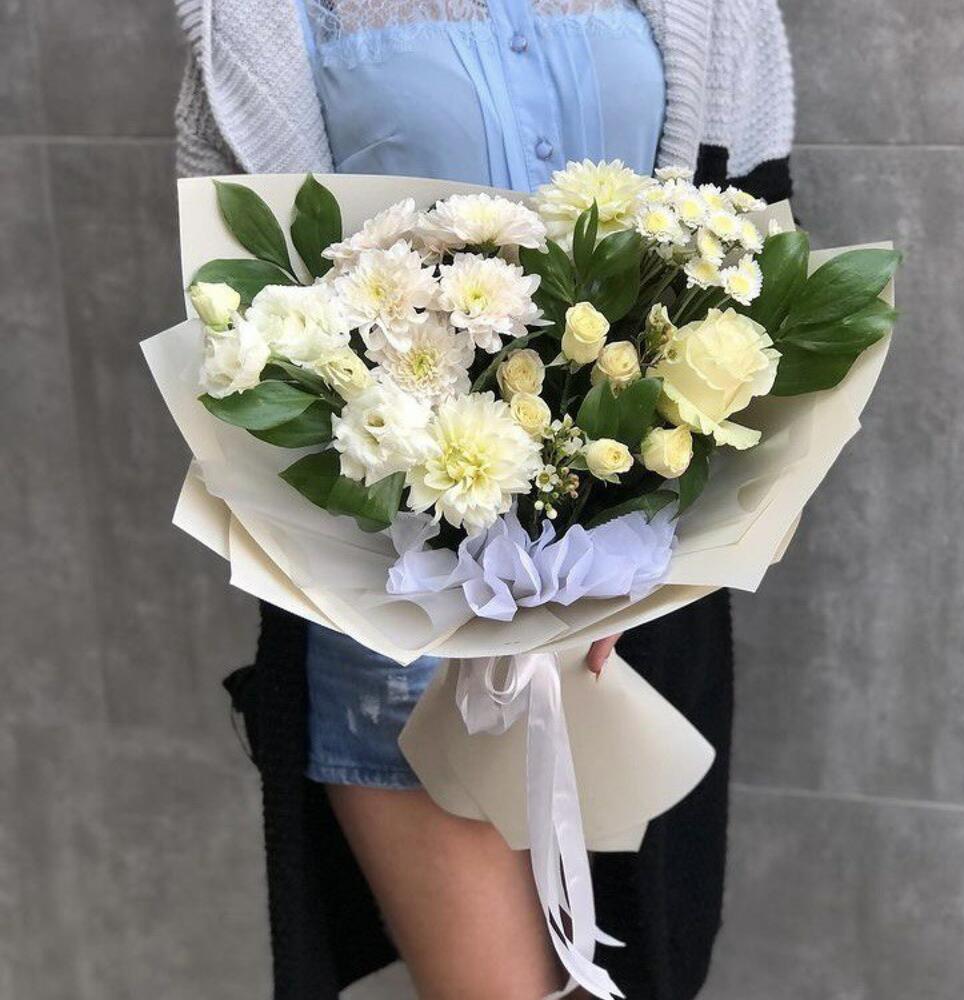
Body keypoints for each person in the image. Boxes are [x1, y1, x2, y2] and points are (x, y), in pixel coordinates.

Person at [174, 1, 794, 996]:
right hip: (399, 606)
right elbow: (239, 306)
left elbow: (758, 254)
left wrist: (653, 542)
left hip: (639, 590)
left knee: (649, 968)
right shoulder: (258, 16)